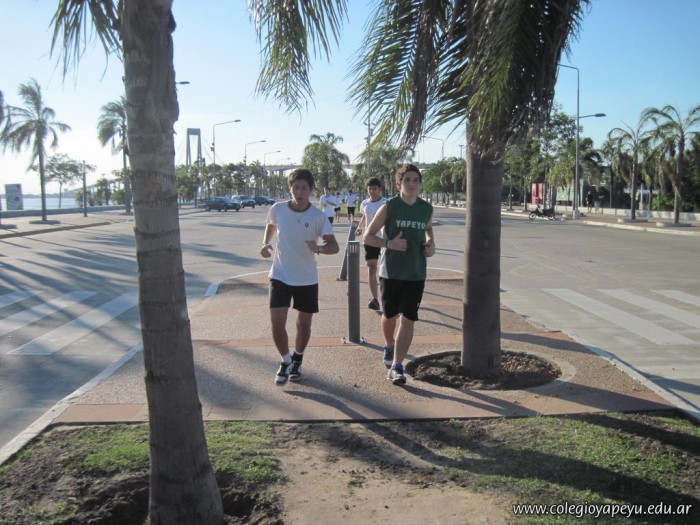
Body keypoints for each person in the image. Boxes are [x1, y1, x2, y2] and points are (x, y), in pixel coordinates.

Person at [261, 169, 339, 384]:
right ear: (290, 189)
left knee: (303, 325)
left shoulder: (317, 216)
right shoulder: (278, 209)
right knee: (277, 323)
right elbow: (271, 224)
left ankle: (298, 359)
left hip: (306, 278)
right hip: (279, 275)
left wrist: (319, 248)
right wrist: (265, 243)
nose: (299, 192)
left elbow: (334, 246)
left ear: (310, 190)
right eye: (296, 187)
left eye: (304, 188)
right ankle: (286, 360)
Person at [363, 164, 435, 385]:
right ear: (398, 184)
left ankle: (397, 366)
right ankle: (388, 344)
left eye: (416, 180)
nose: (412, 184)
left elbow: (428, 230)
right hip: (391, 272)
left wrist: (431, 244)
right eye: (407, 180)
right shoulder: (390, 207)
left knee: (409, 319)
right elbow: (368, 236)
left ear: (420, 184)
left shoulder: (426, 208)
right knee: (389, 315)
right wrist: (389, 243)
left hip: (416, 272)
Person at [354, 178, 386, 311]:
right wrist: (360, 227)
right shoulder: (365, 203)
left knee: (386, 270)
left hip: (384, 239)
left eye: (375, 188)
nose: (372, 191)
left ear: (380, 189)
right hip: (370, 239)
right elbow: (365, 216)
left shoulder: (385, 203)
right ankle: (375, 299)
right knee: (372, 267)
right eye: (370, 189)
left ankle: (390, 297)